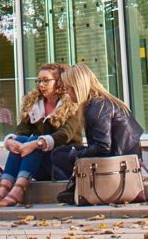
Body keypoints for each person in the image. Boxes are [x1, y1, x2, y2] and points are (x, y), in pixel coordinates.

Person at [0, 63, 78, 207]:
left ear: (59, 82)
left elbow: (65, 135)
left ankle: (18, 189)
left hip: (62, 163)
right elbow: (22, 131)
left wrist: (36, 143)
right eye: (39, 81)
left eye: (46, 80)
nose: (41, 85)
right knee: (21, 139)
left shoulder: (72, 104)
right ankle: (3, 189)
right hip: (39, 163)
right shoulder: (35, 104)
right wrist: (11, 142)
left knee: (33, 140)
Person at [52, 61, 141, 196]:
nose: (67, 94)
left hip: (117, 161)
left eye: (68, 89)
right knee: (62, 151)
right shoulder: (101, 102)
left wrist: (75, 156)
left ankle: (83, 186)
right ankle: (79, 185)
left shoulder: (97, 107)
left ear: (77, 87)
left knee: (59, 155)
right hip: (122, 157)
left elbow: (103, 147)